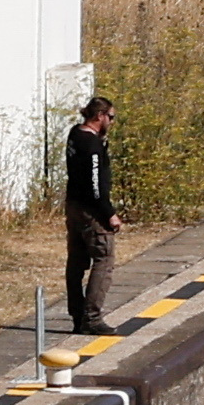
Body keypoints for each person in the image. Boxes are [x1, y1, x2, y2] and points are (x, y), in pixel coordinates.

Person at [63, 92, 119, 335]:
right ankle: (92, 318)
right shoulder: (93, 146)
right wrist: (109, 214)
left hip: (73, 205)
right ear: (100, 116)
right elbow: (96, 187)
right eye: (111, 117)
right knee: (104, 259)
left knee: (76, 262)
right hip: (90, 211)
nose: (112, 123)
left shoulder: (75, 134)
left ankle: (77, 315)